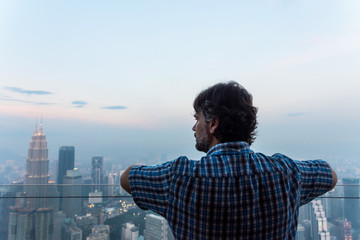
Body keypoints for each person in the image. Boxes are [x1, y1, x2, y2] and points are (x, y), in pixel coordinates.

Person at [121, 81, 337, 240]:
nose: (194, 128)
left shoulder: (180, 178)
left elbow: (127, 178)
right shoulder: (286, 172)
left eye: (197, 119)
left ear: (213, 124)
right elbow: (330, 176)